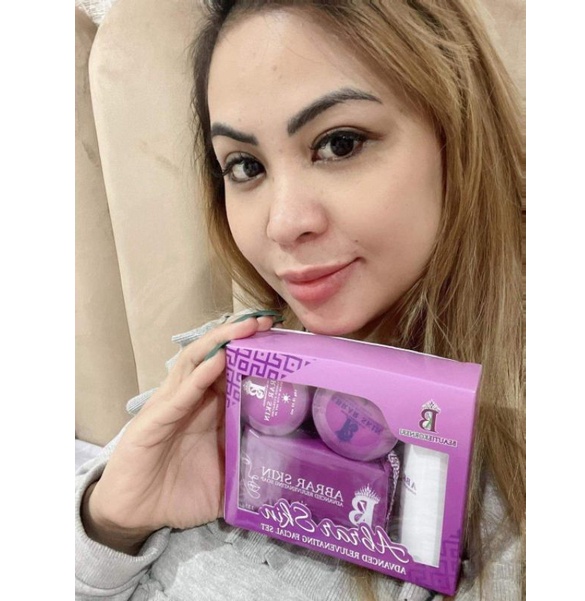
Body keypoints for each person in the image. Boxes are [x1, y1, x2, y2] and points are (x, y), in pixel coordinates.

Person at [75, 1, 525, 599]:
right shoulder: (217, 366)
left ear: (459, 137)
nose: (282, 225)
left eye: (339, 143)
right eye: (245, 166)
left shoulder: (522, 477)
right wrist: (109, 523)